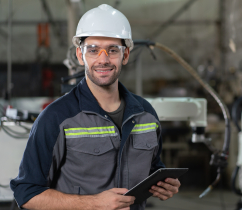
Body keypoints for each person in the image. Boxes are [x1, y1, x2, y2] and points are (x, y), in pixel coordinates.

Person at [10, 4, 181, 210]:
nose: (103, 59)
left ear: (125, 55)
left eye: (112, 50)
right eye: (93, 50)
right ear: (81, 55)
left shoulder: (146, 114)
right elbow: (26, 193)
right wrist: (93, 204)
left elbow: (154, 167)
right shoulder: (56, 118)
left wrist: (163, 184)